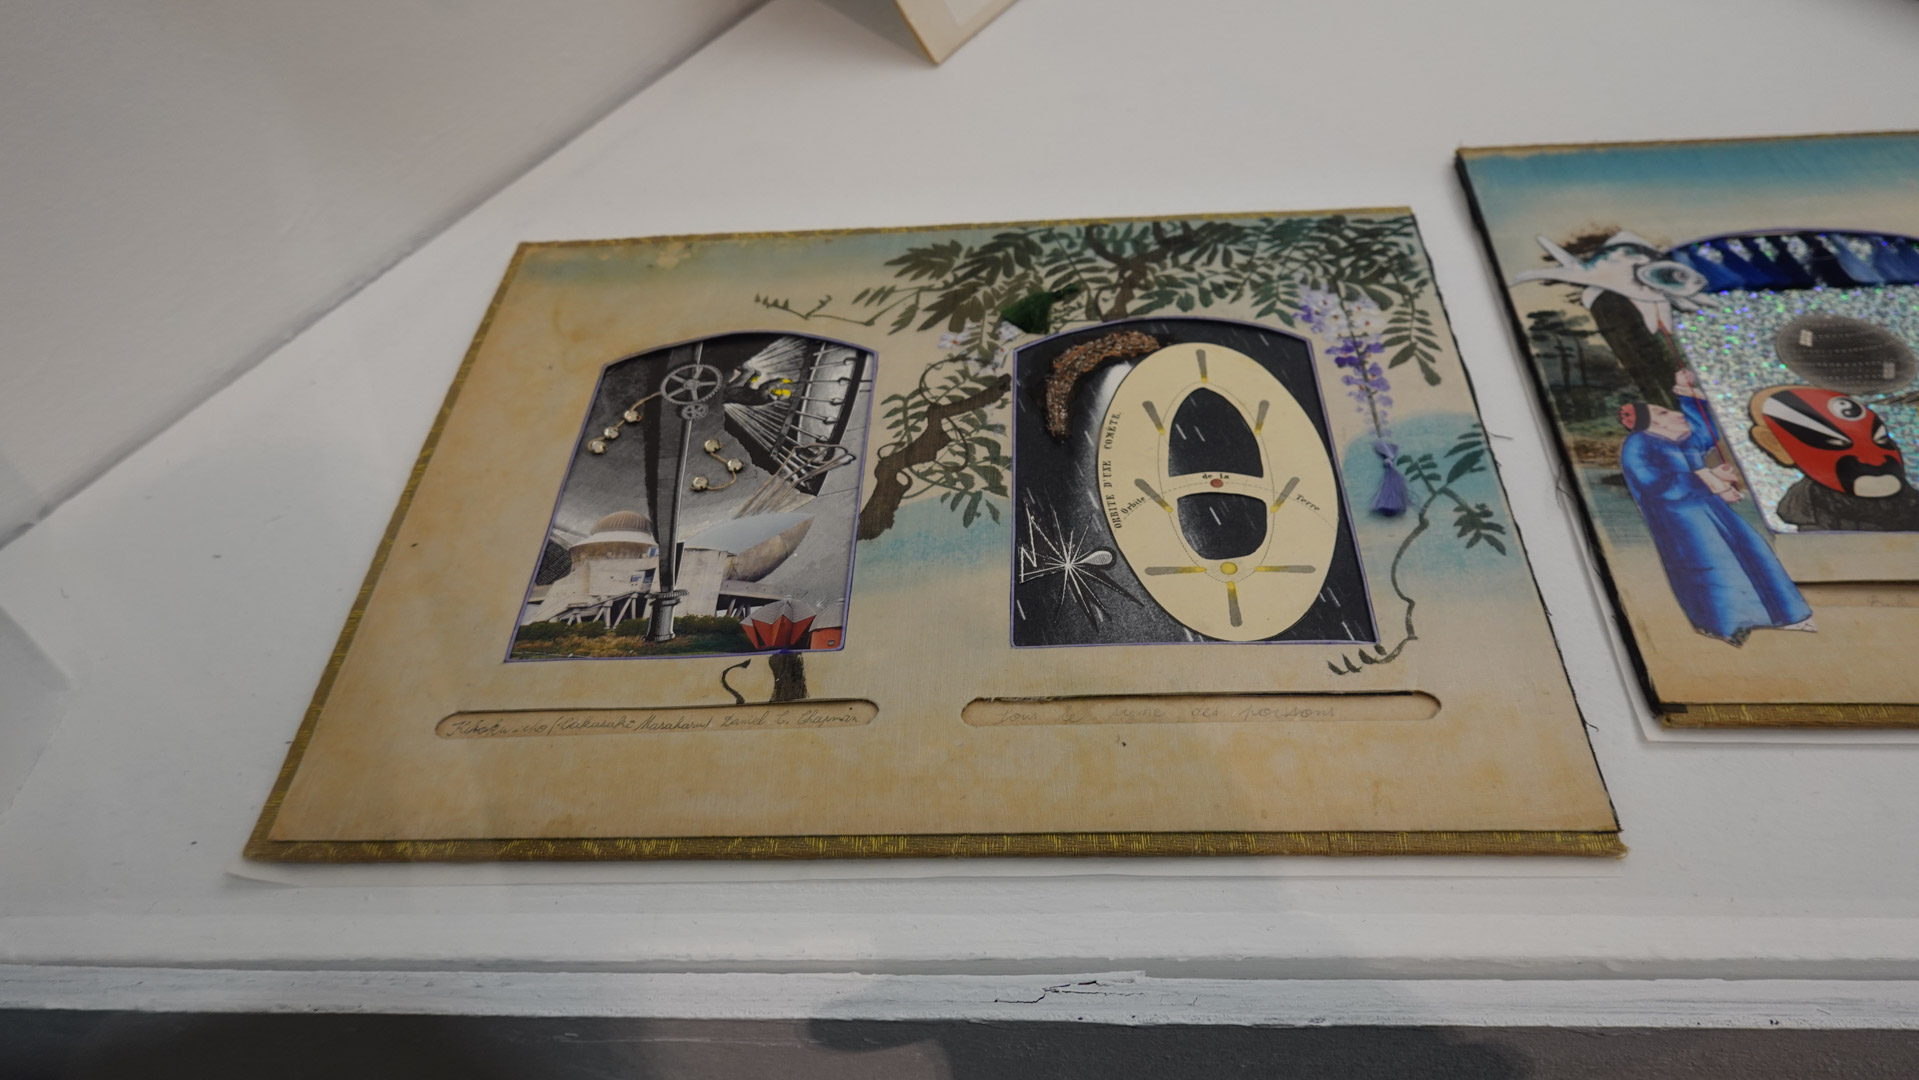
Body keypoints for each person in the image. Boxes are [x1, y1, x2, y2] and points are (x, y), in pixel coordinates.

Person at [1617, 371, 1812, 644]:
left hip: (1712, 511)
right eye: (1662, 413)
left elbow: (1704, 433)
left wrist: (1685, 391)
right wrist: (1708, 477)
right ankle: (1728, 625)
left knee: (1751, 552)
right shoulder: (1638, 444)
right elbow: (1653, 485)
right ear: (1650, 425)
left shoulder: (1681, 441)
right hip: (1680, 521)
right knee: (1710, 565)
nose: (1673, 414)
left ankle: (1785, 615)